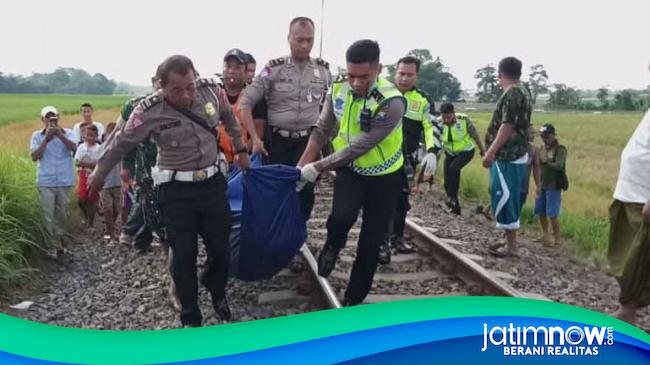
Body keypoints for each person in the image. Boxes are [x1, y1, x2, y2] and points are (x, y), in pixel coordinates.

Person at [89, 55, 250, 327]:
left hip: (211, 186)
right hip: (176, 192)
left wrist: (241, 148)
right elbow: (121, 143)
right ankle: (190, 316)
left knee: (221, 249)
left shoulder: (211, 90)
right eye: (177, 90)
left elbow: (229, 120)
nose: (186, 95)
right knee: (183, 256)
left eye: (190, 86)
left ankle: (215, 286)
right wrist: (99, 173)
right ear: (161, 86)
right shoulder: (148, 111)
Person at [297, 40, 406, 306]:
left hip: (385, 178)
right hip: (351, 172)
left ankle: (353, 300)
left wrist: (319, 167)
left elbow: (360, 146)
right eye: (352, 75)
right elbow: (323, 129)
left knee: (370, 244)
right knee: (339, 218)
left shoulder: (391, 102)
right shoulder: (338, 89)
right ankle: (333, 245)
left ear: (379, 69)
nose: (356, 83)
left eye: (364, 77)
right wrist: (301, 167)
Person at [239, 16, 332, 223]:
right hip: (277, 144)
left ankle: (297, 235)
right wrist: (255, 138)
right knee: (277, 191)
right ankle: (277, 233)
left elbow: (331, 110)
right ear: (289, 38)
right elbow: (246, 102)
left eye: (309, 40)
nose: (305, 45)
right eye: (299, 40)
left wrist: (327, 145)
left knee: (305, 192)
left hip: (308, 142)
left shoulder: (324, 72)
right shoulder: (273, 69)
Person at [378, 56, 441, 264]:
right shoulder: (382, 93)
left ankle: (396, 238)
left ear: (416, 76)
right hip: (382, 158)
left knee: (402, 202)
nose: (404, 78)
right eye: (401, 73)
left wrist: (432, 150)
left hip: (407, 161)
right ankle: (382, 242)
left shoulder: (423, 100)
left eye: (409, 75)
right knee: (384, 201)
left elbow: (430, 127)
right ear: (395, 72)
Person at [482, 57, 532, 258]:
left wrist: (491, 151)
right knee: (506, 194)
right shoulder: (524, 91)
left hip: (507, 154)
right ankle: (507, 240)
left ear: (500, 75)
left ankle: (512, 247)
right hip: (516, 152)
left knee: (504, 196)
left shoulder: (512, 94)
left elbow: (507, 125)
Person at [608, 100, 650, 325]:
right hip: (631, 193)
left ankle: (628, 310)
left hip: (643, 197)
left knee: (639, 259)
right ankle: (627, 309)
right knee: (631, 259)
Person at [30, 106, 77, 258]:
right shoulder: (37, 135)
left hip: (64, 180)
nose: (51, 121)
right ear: (43, 120)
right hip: (46, 181)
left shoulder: (69, 132)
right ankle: (51, 247)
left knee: (61, 215)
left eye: (54, 118)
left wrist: (59, 135)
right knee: (47, 215)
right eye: (48, 118)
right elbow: (35, 156)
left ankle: (58, 244)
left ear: (58, 118)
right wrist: (47, 139)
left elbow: (74, 148)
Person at [217, 48, 267, 164]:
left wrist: (242, 152)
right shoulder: (214, 96)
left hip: (244, 160)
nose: (231, 71)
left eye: (237, 68)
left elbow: (259, 133)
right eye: (228, 67)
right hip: (217, 160)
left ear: (245, 72)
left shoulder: (255, 98)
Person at [438, 102, 486, 215]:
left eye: (448, 117)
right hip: (450, 153)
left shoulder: (464, 119)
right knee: (447, 182)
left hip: (466, 151)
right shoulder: (438, 122)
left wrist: (483, 152)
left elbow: (476, 136)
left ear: (453, 114)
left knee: (454, 169)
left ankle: (452, 200)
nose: (446, 120)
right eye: (444, 117)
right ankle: (455, 208)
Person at [534, 123, 567, 246]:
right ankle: (545, 235)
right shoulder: (542, 148)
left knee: (552, 214)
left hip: (554, 186)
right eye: (542, 137)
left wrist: (546, 162)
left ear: (553, 135)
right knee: (540, 211)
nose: (544, 139)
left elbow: (559, 165)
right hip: (542, 184)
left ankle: (557, 238)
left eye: (546, 136)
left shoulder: (560, 149)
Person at [74, 124, 101, 229]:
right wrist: (88, 164)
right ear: (84, 136)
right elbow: (77, 162)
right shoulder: (81, 147)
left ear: (96, 136)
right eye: (87, 135)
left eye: (92, 135)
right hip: (83, 174)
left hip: (94, 175)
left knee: (92, 198)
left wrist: (84, 163)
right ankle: (86, 215)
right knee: (81, 199)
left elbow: (99, 164)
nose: (89, 137)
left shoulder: (99, 148)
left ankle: (91, 221)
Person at [100, 122, 122, 243]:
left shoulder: (122, 148)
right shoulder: (102, 148)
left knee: (117, 208)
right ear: (105, 135)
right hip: (105, 184)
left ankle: (111, 225)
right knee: (107, 208)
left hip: (118, 183)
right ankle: (110, 232)